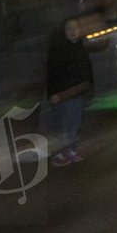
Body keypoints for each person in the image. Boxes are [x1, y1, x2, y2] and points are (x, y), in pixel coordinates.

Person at [45, 17, 93, 167]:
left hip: (79, 93)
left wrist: (90, 87)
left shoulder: (81, 47)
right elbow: (51, 73)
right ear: (63, 32)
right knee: (63, 124)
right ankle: (58, 153)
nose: (73, 31)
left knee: (74, 123)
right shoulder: (58, 50)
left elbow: (87, 70)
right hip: (63, 94)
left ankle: (71, 150)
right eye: (69, 29)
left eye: (75, 28)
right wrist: (53, 93)